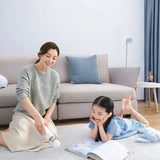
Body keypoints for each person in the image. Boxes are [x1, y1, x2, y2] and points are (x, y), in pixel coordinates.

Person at [0, 42, 60, 152]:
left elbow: (54, 99)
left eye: (54, 58)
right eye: (48, 56)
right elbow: (22, 94)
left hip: (42, 116)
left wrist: (45, 119)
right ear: (40, 54)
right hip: (24, 114)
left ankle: (12, 130)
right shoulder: (27, 70)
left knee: (50, 139)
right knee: (18, 140)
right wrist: (37, 117)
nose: (50, 60)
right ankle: (8, 133)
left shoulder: (54, 75)